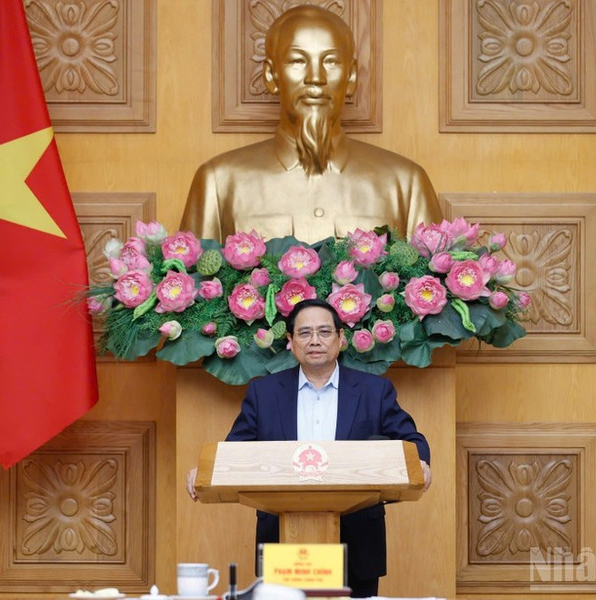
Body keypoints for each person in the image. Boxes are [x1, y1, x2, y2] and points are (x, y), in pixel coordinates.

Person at [186, 299, 431, 598]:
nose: (315, 340)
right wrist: (207, 472)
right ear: (290, 341)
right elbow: (235, 453)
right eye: (304, 333)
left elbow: (411, 441)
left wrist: (420, 462)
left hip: (357, 541)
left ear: (341, 338)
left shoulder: (374, 391)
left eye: (324, 331)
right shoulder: (264, 393)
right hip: (282, 543)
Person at [180, 5, 442, 243]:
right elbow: (192, 284)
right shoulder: (218, 182)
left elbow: (435, 286)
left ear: (350, 77)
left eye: (330, 61)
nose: (315, 77)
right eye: (297, 61)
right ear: (271, 75)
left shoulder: (407, 184)